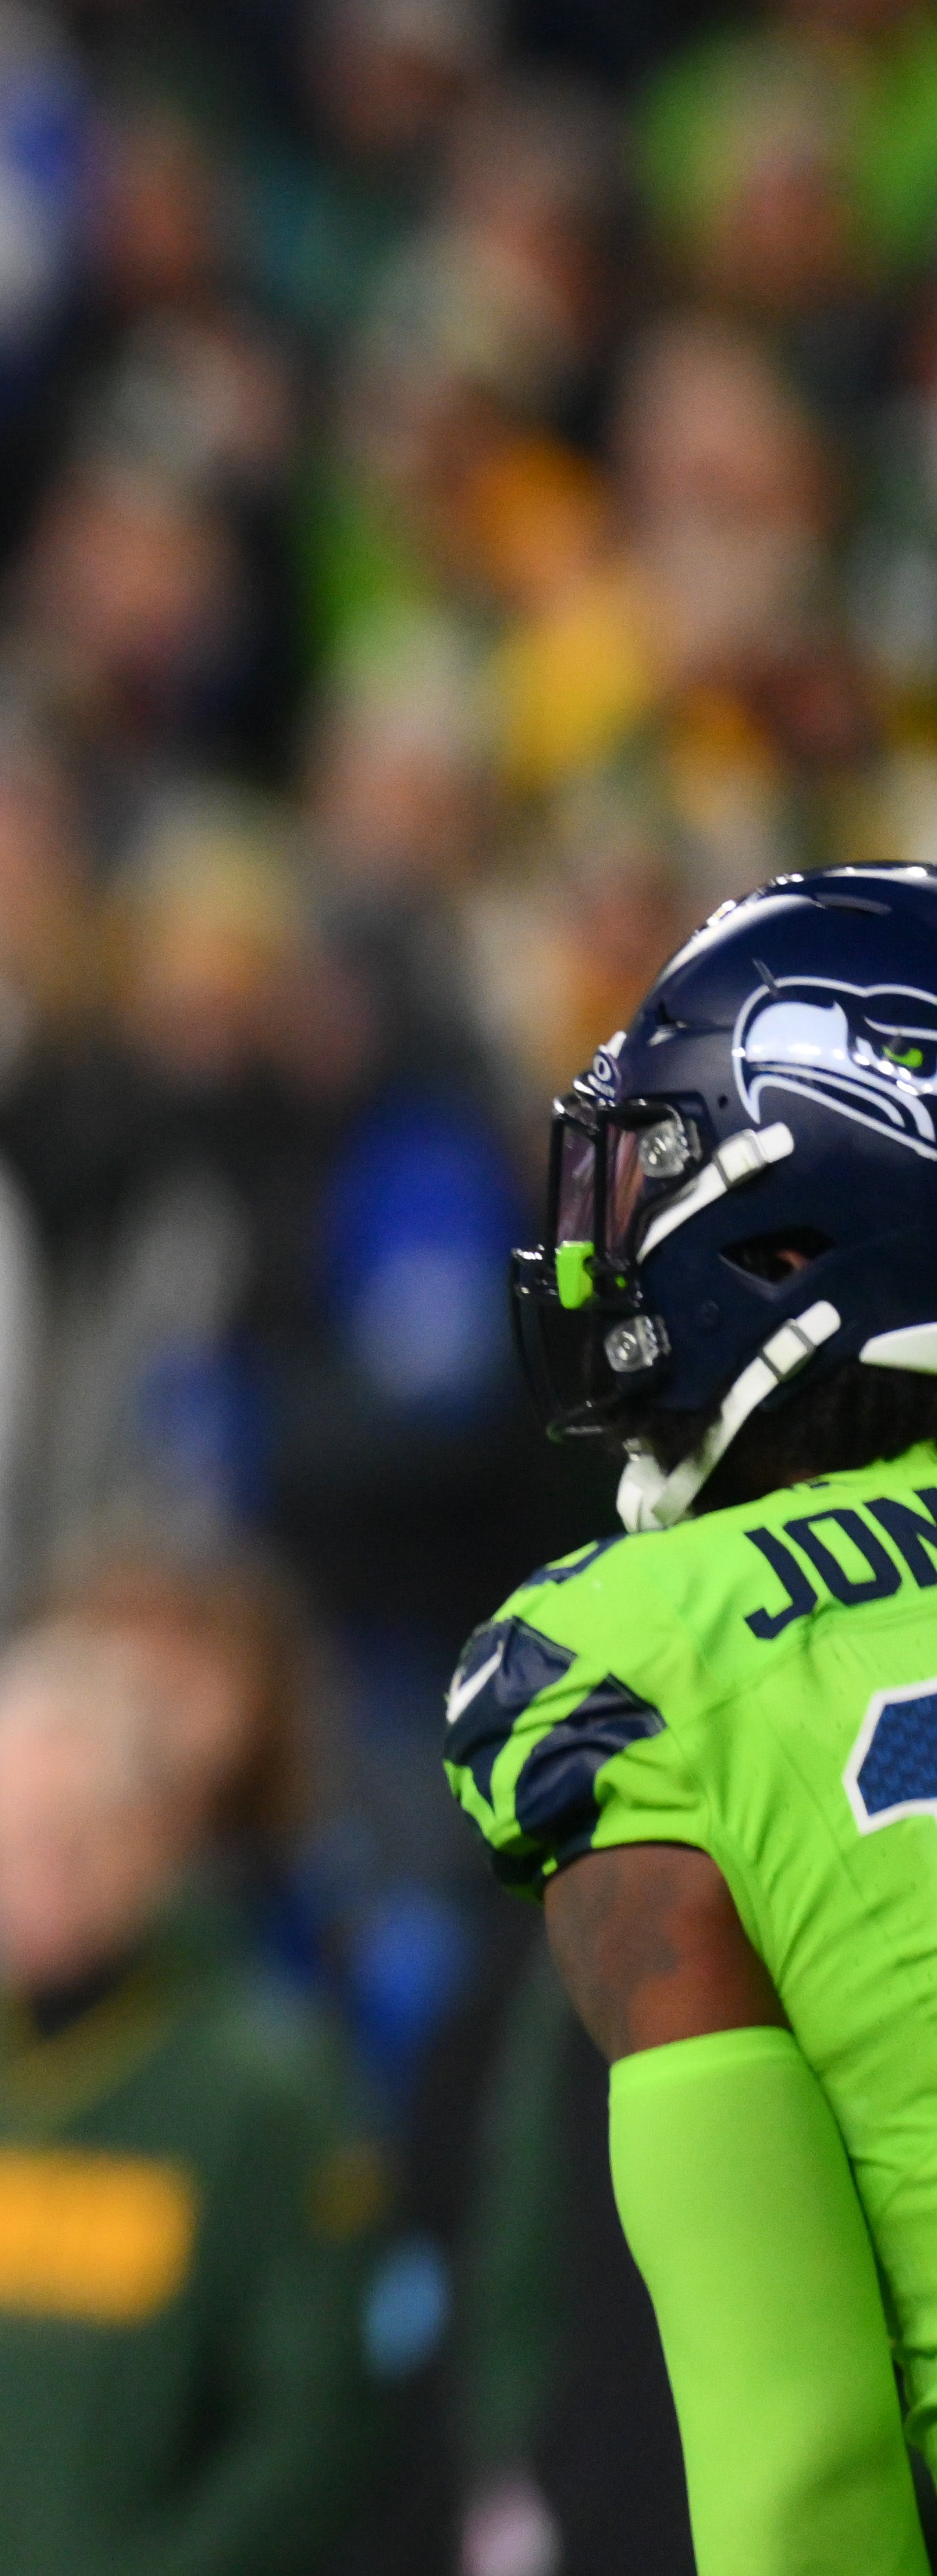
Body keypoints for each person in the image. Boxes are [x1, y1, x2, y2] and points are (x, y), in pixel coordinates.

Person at [448, 863, 937, 2570]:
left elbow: (800, 2457)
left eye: (648, 1160)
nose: (606, 1230)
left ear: (801, 1215)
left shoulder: (630, 1656)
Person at [0, 1618, 380, 2575]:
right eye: (6, 1838)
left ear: (155, 1838)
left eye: (74, 1837)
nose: (40, 1878)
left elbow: (313, 2425)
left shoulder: (262, 2094)